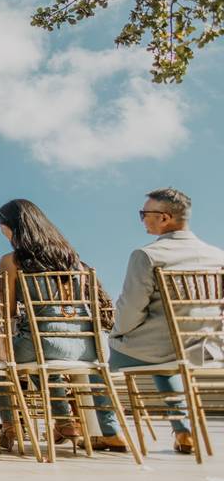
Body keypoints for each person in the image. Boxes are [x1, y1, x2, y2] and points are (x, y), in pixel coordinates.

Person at [95, 188, 224, 455]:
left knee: (98, 367)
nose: (142, 219)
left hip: (159, 347)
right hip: (203, 348)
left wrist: (117, 335)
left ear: (164, 218)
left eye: (144, 214)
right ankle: (183, 431)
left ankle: (110, 433)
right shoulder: (218, 257)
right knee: (164, 365)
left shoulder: (147, 255)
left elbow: (131, 309)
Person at [0, 199, 100, 451]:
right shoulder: (72, 258)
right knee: (42, 359)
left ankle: (10, 426)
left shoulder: (11, 261)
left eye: (3, 227)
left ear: (14, 228)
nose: (2, 233)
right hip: (83, 344)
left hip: (42, 342)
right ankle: (64, 422)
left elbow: (6, 311)